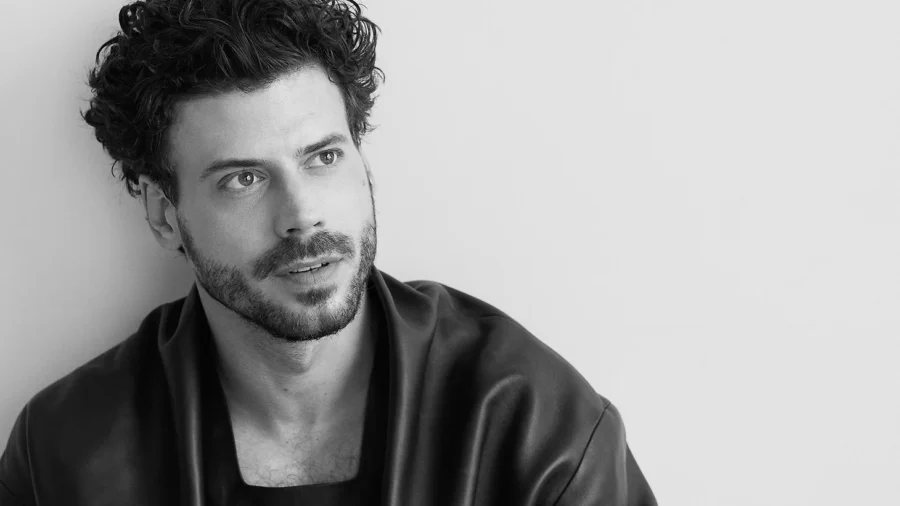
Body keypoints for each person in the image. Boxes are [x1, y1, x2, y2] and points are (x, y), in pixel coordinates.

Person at [0, 0, 657, 504]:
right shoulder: (66, 455)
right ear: (163, 212)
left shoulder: (532, 424)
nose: (301, 215)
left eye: (323, 158)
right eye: (243, 179)